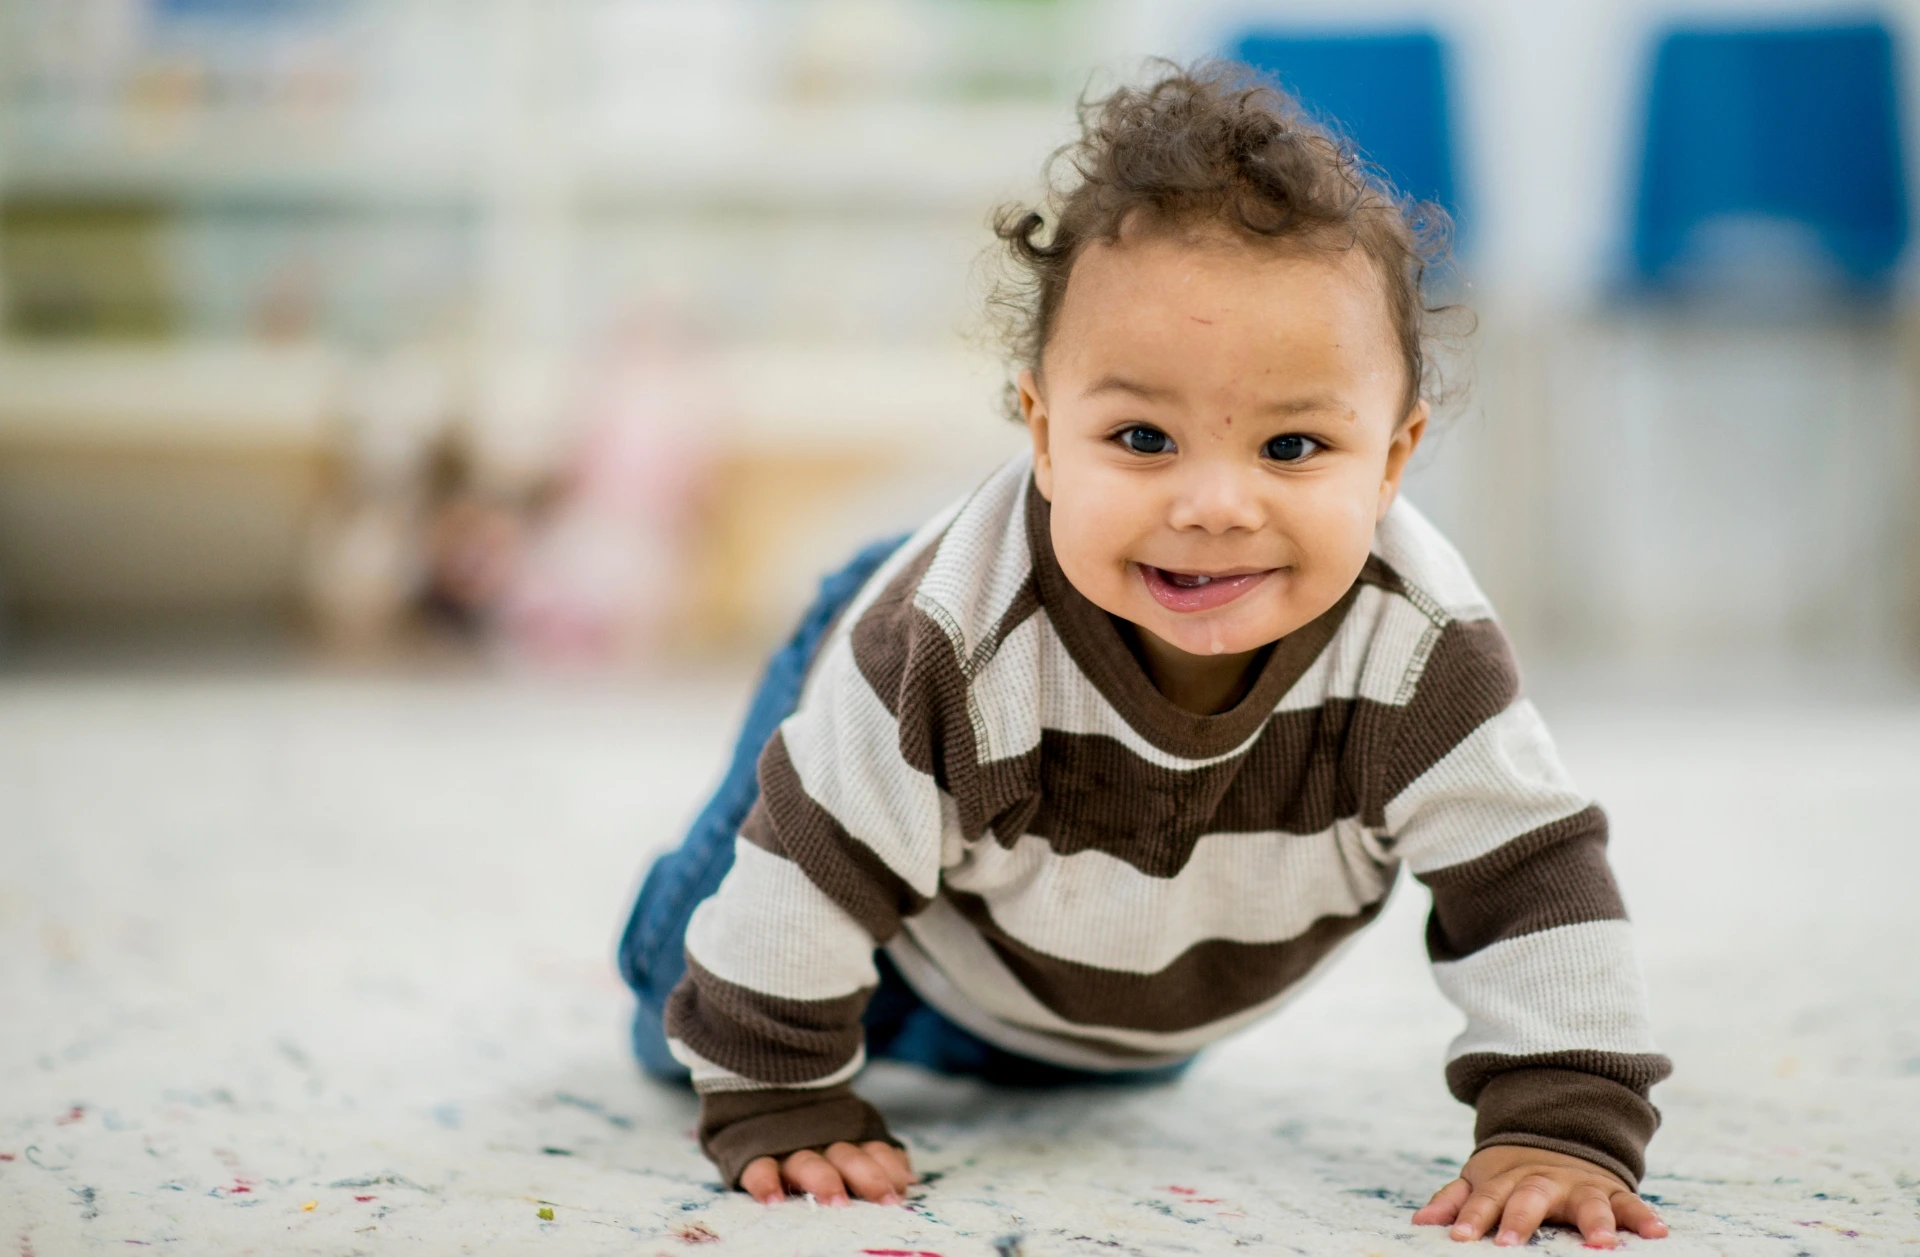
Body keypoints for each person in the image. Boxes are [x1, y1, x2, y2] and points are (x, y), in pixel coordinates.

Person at [618, 62, 1671, 1249]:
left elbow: (1533, 881)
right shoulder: (951, 643)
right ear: (1044, 437)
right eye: (1141, 438)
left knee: (1084, 1078)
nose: (1216, 504)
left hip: (1079, 994)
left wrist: (1562, 1123)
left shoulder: (1420, 656)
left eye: (1291, 445)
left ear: (1391, 458)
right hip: (887, 893)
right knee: (688, 1003)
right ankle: (688, 920)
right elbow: (809, 873)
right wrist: (777, 1087)